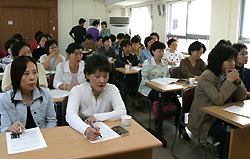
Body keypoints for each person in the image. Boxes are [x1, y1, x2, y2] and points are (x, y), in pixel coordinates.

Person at [187, 45, 247, 159]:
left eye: (233, 60)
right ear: (219, 61)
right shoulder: (207, 76)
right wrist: (229, 81)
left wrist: (238, 82)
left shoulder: (226, 74)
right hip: (204, 119)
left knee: (241, 131)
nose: (233, 63)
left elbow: (242, 97)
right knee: (226, 136)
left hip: (221, 116)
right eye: (229, 61)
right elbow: (218, 99)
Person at [66, 54, 126, 141]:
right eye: (97, 76)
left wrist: (96, 117)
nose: (102, 81)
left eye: (105, 76)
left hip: (106, 135)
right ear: (87, 75)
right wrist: (85, 129)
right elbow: (70, 115)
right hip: (83, 135)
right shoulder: (77, 90)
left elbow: (122, 111)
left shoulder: (112, 89)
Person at [138, 41, 190, 141]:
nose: (162, 53)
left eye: (163, 51)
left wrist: (166, 84)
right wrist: (156, 85)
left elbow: (167, 77)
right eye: (159, 51)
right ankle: (158, 124)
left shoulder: (165, 63)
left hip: (163, 88)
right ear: (153, 51)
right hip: (148, 88)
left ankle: (181, 127)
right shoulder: (147, 63)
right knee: (159, 100)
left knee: (176, 101)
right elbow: (145, 80)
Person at [0, 56, 57, 133]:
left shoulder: (46, 94)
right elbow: (4, 128)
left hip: (43, 137)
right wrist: (10, 129)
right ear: (16, 76)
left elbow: (52, 121)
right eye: (26, 74)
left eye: (34, 72)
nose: (32, 78)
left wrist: (46, 136)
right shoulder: (5, 98)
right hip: (19, 140)